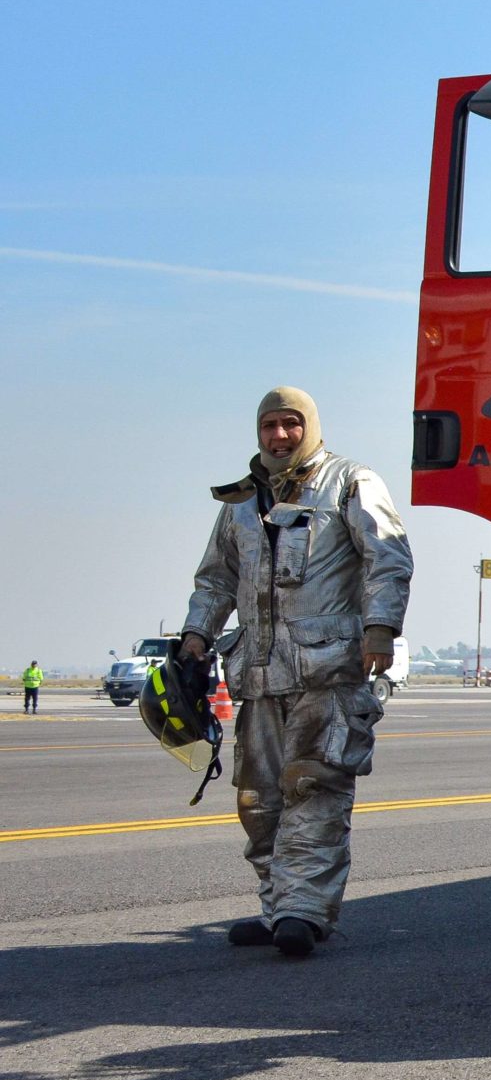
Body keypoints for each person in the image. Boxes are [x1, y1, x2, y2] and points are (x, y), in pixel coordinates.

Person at [178, 387, 413, 957]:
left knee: (313, 788)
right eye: (269, 426)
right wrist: (195, 635)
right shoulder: (239, 503)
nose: (279, 436)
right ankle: (276, 904)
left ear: (310, 426)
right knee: (258, 800)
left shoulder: (352, 482)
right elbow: (215, 579)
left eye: (289, 424)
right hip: (257, 676)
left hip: (329, 671)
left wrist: (380, 626)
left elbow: (388, 555)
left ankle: (304, 912)